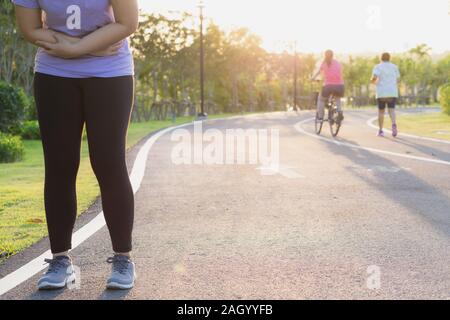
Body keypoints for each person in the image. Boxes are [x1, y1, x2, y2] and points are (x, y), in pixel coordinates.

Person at [13, 0, 139, 290]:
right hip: (55, 73)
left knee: (109, 163)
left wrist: (75, 48)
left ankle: (123, 259)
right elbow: (30, 28)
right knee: (59, 166)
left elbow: (128, 23)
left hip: (111, 72)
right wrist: (82, 47)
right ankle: (60, 261)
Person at [371, 52, 401, 137]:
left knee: (381, 112)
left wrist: (374, 82)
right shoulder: (395, 67)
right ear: (389, 58)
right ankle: (394, 125)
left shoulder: (377, 67)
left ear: (381, 58)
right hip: (392, 92)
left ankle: (380, 131)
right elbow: (398, 80)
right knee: (392, 110)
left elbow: (374, 78)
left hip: (381, 92)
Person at [312, 50, 345, 123]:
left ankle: (320, 117)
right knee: (337, 98)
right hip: (340, 86)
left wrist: (313, 78)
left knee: (321, 99)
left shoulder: (324, 63)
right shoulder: (338, 63)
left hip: (328, 86)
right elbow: (339, 73)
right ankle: (339, 112)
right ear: (332, 55)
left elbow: (319, 73)